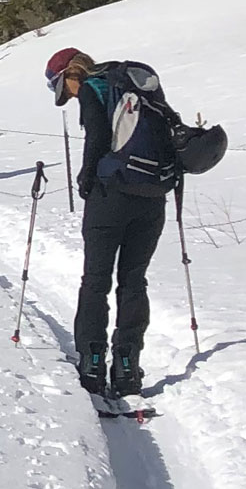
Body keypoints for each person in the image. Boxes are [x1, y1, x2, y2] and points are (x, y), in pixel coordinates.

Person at [47, 46, 183, 399]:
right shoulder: (136, 85)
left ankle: (92, 363)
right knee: (133, 280)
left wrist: (86, 179)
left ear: (67, 77)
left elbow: (96, 139)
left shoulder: (92, 88)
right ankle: (126, 366)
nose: (65, 95)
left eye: (60, 87)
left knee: (95, 281)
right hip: (152, 196)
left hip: (111, 196)